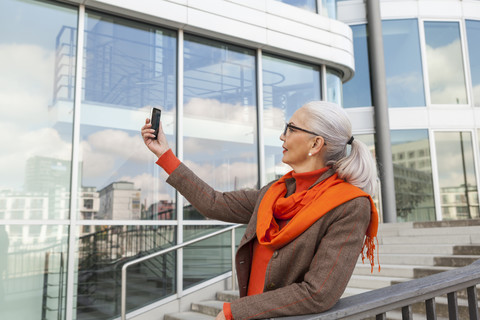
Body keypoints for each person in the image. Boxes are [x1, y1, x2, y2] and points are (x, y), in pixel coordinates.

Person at [141, 100, 380, 320]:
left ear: (316, 144)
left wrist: (235, 311)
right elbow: (213, 203)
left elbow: (319, 292)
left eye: (291, 128)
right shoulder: (274, 193)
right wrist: (165, 154)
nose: (281, 136)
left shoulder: (349, 205)